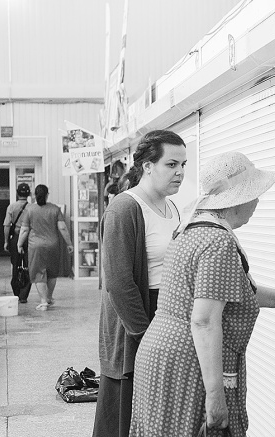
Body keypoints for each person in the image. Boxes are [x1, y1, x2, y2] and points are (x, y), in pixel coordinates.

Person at [129, 152, 275, 437]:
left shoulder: (191, 229)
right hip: (189, 361)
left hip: (162, 353)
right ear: (238, 200)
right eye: (255, 195)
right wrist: (215, 394)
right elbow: (204, 321)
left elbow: (229, 292)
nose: (257, 203)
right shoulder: (218, 241)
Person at [92, 130, 187, 437]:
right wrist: (145, 336)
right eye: (171, 164)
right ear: (147, 166)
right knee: (129, 415)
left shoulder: (172, 208)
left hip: (167, 320)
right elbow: (119, 282)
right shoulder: (125, 208)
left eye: (183, 164)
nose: (180, 172)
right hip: (136, 322)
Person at [16, 184, 74, 311]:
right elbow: (63, 228)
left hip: (35, 247)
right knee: (52, 273)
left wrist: (19, 244)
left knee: (38, 273)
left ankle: (43, 301)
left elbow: (24, 230)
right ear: (47, 195)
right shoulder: (55, 209)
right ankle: (49, 297)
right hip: (53, 246)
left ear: (34, 195)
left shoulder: (30, 210)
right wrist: (69, 243)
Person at [3, 183, 32, 303]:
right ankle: (24, 294)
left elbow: (6, 225)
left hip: (15, 238)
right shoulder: (32, 207)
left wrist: (6, 241)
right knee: (28, 265)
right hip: (29, 238)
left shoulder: (11, 207)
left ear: (17, 193)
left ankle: (16, 292)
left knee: (15, 265)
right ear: (29, 194)